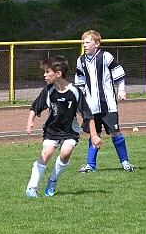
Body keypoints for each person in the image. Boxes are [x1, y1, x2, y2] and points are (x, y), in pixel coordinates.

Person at [25, 56, 96, 198]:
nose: (44, 75)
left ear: (58, 74)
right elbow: (35, 107)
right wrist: (30, 122)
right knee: (46, 153)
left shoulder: (75, 91)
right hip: (51, 130)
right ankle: (32, 188)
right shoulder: (48, 91)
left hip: (70, 131)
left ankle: (53, 180)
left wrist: (94, 135)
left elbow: (87, 114)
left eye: (47, 72)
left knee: (65, 152)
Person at [74, 29, 134, 173]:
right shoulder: (81, 60)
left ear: (97, 44)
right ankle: (91, 165)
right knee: (94, 134)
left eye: (88, 42)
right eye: (83, 42)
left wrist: (121, 90)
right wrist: (80, 99)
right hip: (91, 105)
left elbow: (119, 74)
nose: (85, 45)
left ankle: (125, 162)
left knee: (115, 132)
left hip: (108, 105)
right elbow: (80, 81)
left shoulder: (106, 56)